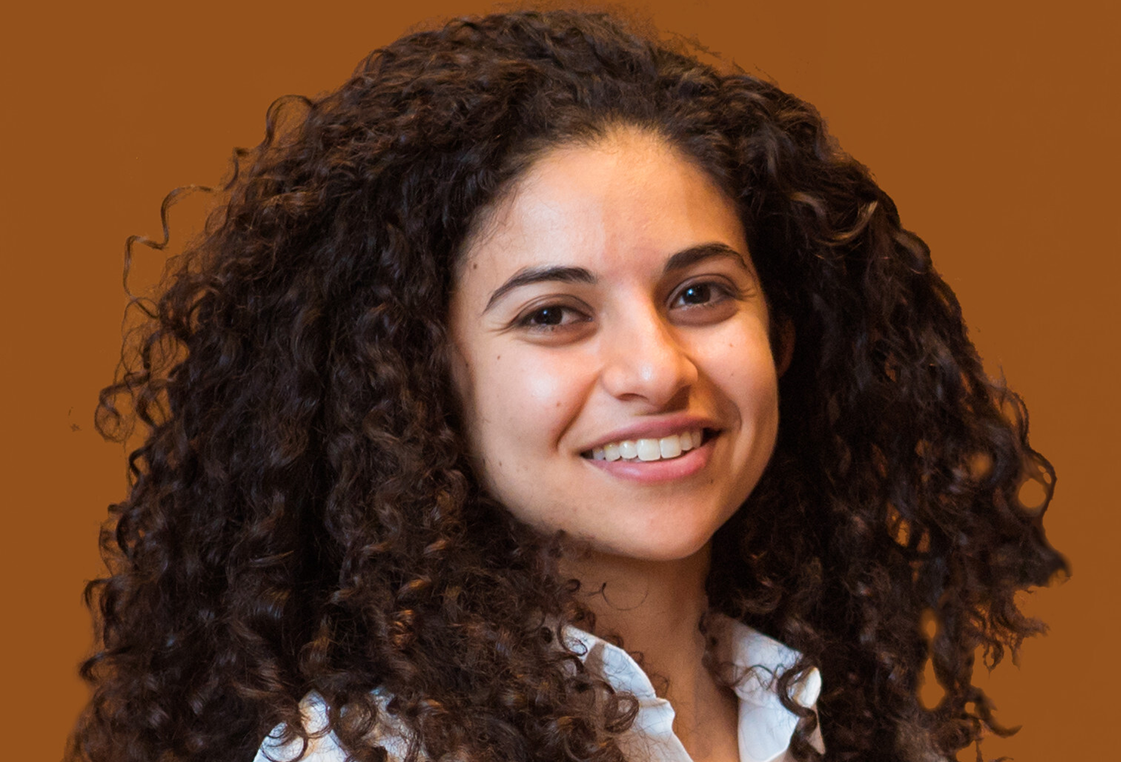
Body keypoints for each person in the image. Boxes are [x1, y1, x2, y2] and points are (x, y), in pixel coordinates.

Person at [68, 9, 1067, 762]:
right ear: (418, 387)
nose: (655, 368)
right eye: (553, 314)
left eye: (700, 292)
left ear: (786, 334)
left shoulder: (830, 715)